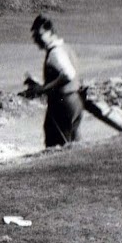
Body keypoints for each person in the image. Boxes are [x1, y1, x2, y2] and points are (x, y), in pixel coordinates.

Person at [23, 15, 83, 147]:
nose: (36, 40)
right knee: (73, 143)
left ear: (50, 32)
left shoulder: (55, 52)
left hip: (62, 105)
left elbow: (68, 74)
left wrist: (44, 89)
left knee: (57, 144)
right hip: (74, 101)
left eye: (39, 35)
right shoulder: (65, 48)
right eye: (35, 36)